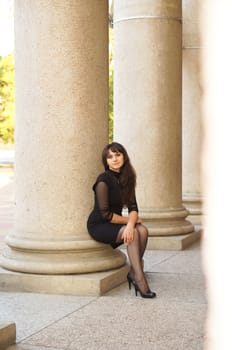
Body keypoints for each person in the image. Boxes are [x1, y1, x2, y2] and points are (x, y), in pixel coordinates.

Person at [87, 142, 156, 298]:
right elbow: (105, 214)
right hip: (99, 224)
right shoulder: (103, 180)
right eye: (110, 157)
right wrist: (129, 224)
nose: (114, 159)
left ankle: (133, 273)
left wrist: (131, 224)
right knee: (135, 233)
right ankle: (140, 279)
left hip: (117, 223)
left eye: (117, 154)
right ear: (106, 161)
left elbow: (133, 208)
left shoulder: (128, 178)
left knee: (143, 230)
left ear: (124, 156)